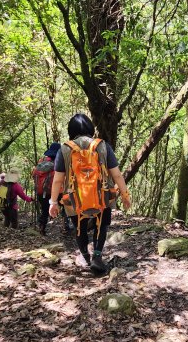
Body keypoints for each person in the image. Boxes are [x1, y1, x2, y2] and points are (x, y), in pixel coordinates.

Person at [49, 113, 131, 275]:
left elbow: (58, 180)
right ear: (91, 129)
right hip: (102, 195)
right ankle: (98, 256)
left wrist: (53, 202)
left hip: (73, 198)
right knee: (102, 225)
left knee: (79, 227)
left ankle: (85, 256)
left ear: (71, 130)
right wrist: (125, 194)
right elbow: (116, 175)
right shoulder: (102, 146)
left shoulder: (64, 149)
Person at [32, 142, 72, 235]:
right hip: (58, 191)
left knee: (45, 210)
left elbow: (34, 175)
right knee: (66, 207)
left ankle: (42, 229)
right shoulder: (60, 162)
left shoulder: (41, 162)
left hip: (41, 192)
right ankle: (66, 227)